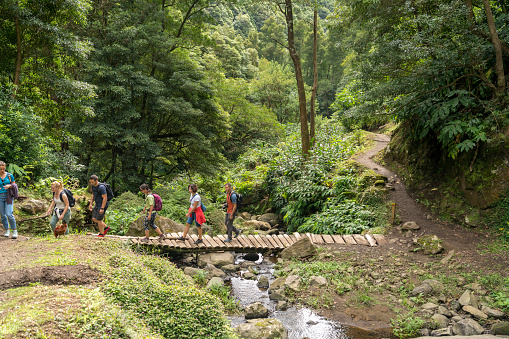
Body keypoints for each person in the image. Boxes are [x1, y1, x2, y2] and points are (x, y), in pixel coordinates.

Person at [0, 161, 17, 239]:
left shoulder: (10, 175)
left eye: (3, 169)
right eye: (0, 169)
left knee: (9, 214)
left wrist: (9, 186)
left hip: (8, 196)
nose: (2, 170)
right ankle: (7, 230)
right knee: (3, 215)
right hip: (0, 197)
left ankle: (14, 230)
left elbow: (14, 185)